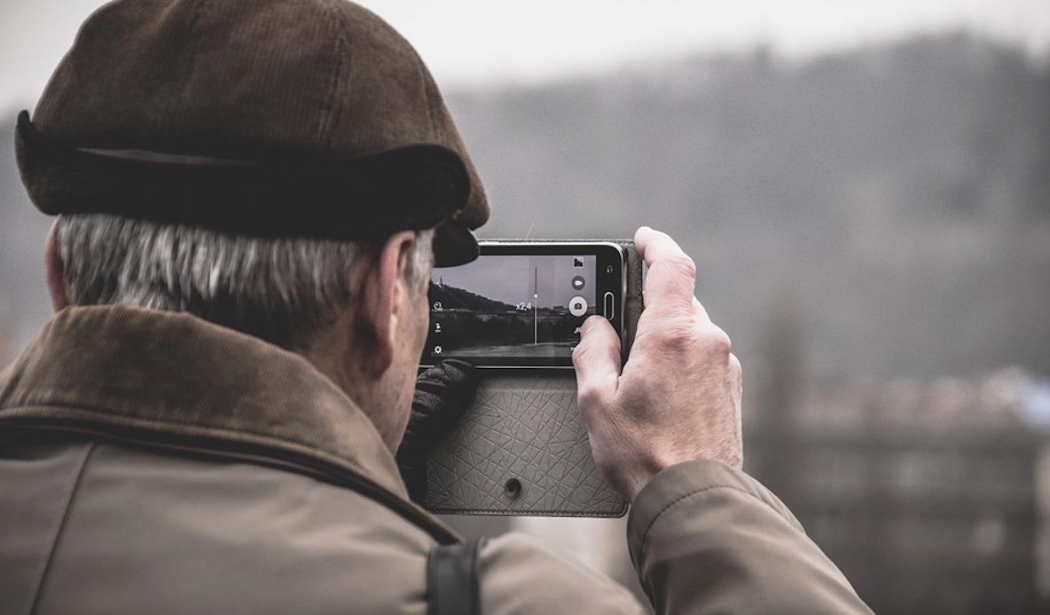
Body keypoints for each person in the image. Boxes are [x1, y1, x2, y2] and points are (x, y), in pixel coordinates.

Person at [0, 1, 873, 613]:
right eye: (424, 285)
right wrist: (698, 484)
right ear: (385, 296)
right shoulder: (497, 602)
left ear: (60, 278)